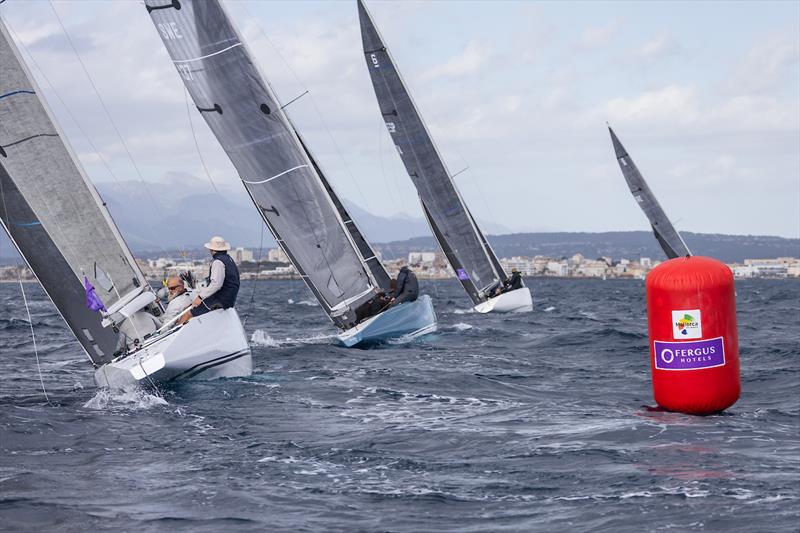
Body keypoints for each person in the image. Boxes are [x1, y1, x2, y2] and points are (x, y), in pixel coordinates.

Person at [178, 236, 240, 324]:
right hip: (229, 299)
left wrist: (200, 297)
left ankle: (177, 335)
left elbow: (216, 284)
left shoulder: (218, 262)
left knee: (187, 314)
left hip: (219, 300)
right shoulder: (229, 259)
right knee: (188, 309)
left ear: (212, 250)